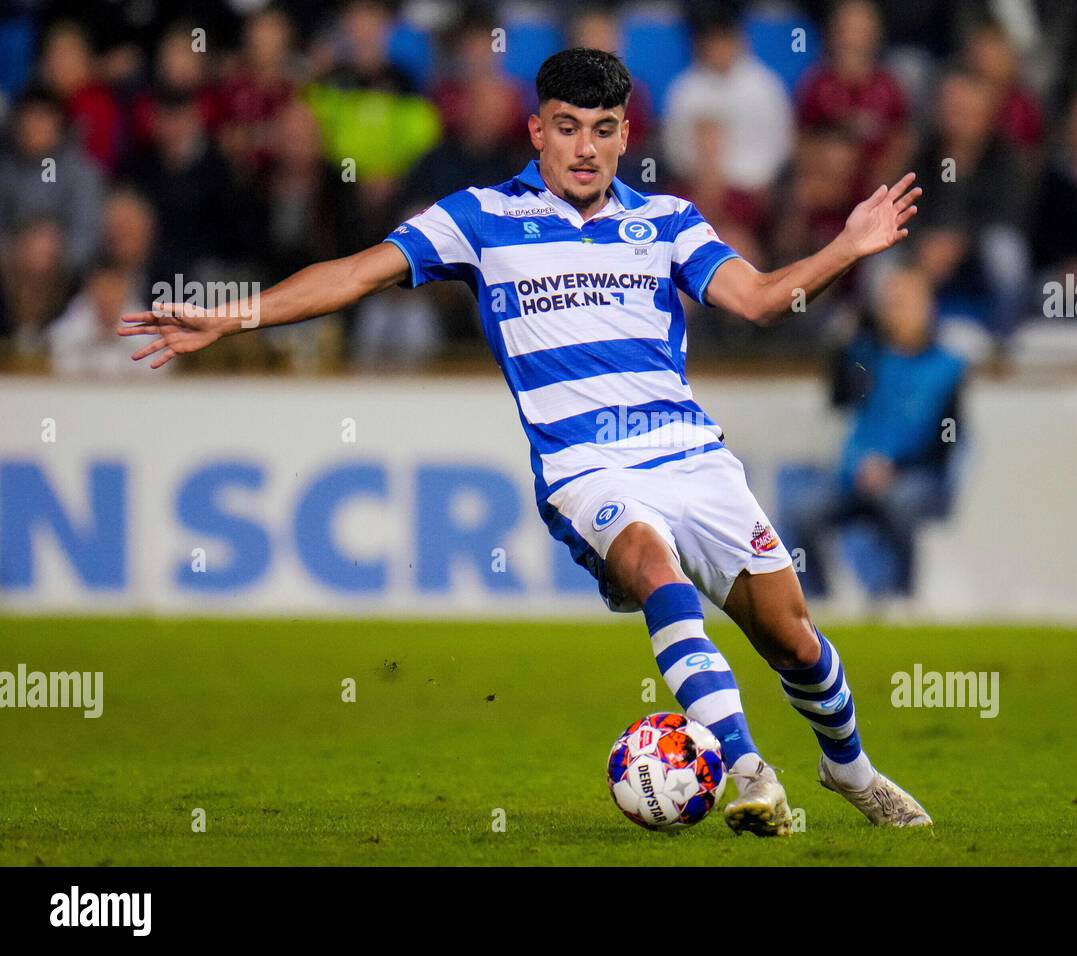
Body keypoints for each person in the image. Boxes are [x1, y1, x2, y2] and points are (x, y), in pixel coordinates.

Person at [119, 48, 931, 833]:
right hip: (585, 464)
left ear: (625, 135)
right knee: (654, 567)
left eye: (604, 128)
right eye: (568, 126)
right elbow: (358, 273)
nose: (586, 147)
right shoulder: (480, 218)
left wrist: (848, 248)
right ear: (537, 130)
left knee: (794, 639)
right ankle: (748, 770)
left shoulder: (668, 221)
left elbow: (755, 299)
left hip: (692, 456)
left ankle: (849, 771)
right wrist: (235, 314)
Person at [786, 268, 963, 599]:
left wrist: (894, 468)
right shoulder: (868, 356)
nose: (895, 312)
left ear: (928, 307)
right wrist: (843, 339)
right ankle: (822, 601)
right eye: (890, 303)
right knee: (802, 510)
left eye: (904, 303)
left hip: (916, 477)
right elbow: (839, 397)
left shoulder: (947, 367)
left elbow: (947, 441)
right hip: (856, 476)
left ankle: (900, 597)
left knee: (901, 502)